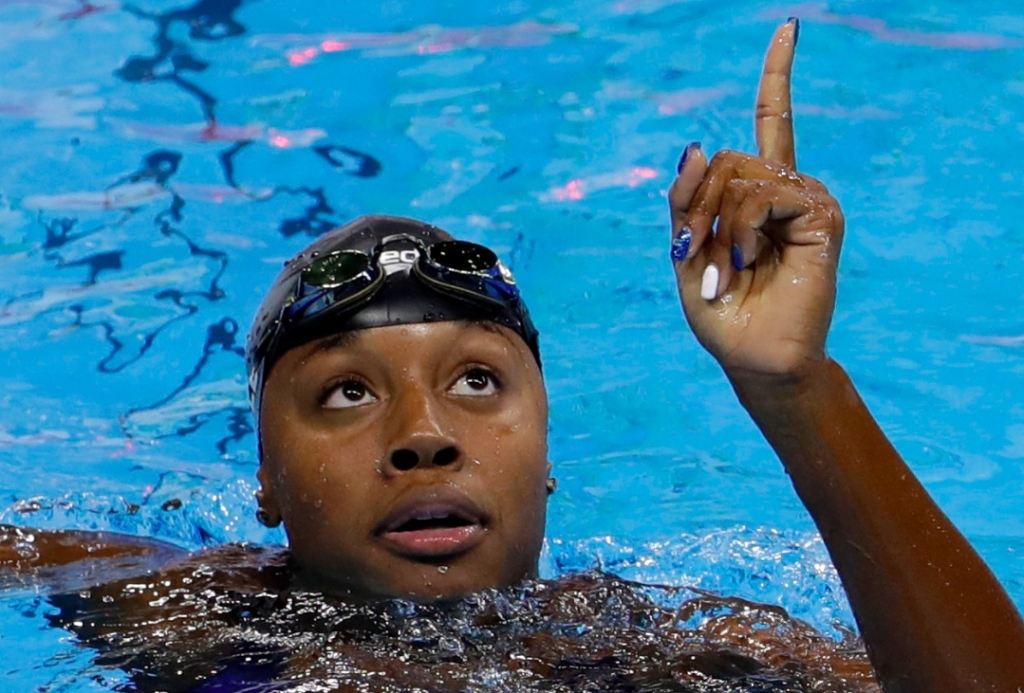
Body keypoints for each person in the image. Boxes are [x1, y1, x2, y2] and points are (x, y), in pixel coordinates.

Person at [2, 20, 1023, 693]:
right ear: (265, 479)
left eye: (477, 380)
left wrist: (791, 386)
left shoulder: (661, 658)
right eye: (346, 392)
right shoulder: (183, 612)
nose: (424, 439)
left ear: (544, 453)